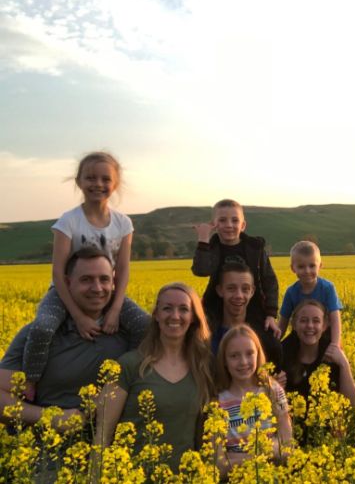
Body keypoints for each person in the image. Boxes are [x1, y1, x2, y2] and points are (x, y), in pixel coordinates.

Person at [22, 151, 147, 397]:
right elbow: (58, 274)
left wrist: (114, 309)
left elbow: (122, 270)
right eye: (90, 178)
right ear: (78, 181)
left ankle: (127, 377)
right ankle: (29, 383)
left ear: (115, 184)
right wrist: (78, 316)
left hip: (106, 293)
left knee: (144, 325)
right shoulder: (68, 221)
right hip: (65, 293)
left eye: (105, 179)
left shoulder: (123, 223)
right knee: (43, 329)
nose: (97, 184)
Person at [0, 247, 142, 428]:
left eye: (104, 279)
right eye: (86, 280)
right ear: (67, 283)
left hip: (115, 450)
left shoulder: (131, 333)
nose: (97, 288)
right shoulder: (39, 335)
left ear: (114, 282)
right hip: (48, 451)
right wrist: (49, 418)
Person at [95, 282, 214, 471]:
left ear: (193, 317)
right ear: (156, 314)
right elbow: (103, 433)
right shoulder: (129, 365)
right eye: (167, 308)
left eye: (183, 309)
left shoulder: (202, 368)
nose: (175, 316)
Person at [192, 199, 281, 363]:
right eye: (222, 220)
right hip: (216, 307)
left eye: (234, 220)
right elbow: (201, 270)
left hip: (252, 305)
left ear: (243, 225)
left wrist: (270, 314)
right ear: (214, 224)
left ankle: (271, 383)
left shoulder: (255, 248)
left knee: (271, 344)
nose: (229, 225)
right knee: (208, 348)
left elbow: (269, 281)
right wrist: (203, 238)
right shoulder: (211, 246)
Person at [215, 324, 291, 475]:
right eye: (234, 356)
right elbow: (219, 466)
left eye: (249, 353)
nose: (243, 362)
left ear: (258, 354)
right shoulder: (217, 402)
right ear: (224, 360)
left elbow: (288, 448)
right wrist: (269, 450)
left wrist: (236, 458)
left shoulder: (273, 391)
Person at [279, 299, 355, 406]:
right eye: (303, 320)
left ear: (324, 326)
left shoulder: (334, 357)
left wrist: (344, 364)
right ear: (294, 325)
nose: (310, 325)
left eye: (316, 321)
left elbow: (351, 403)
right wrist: (274, 388)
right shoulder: (282, 356)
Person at [210, 261, 282, 365]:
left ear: (252, 291)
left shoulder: (265, 339)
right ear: (220, 290)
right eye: (231, 288)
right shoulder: (207, 337)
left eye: (245, 289)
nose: (239, 295)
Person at [277, 241, 343, 348]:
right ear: (293, 268)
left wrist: (335, 345)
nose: (307, 271)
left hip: (325, 335)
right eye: (301, 267)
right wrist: (272, 344)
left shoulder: (328, 288)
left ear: (320, 266)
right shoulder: (291, 292)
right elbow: (283, 323)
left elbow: (335, 320)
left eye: (312, 266)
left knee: (338, 361)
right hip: (301, 336)